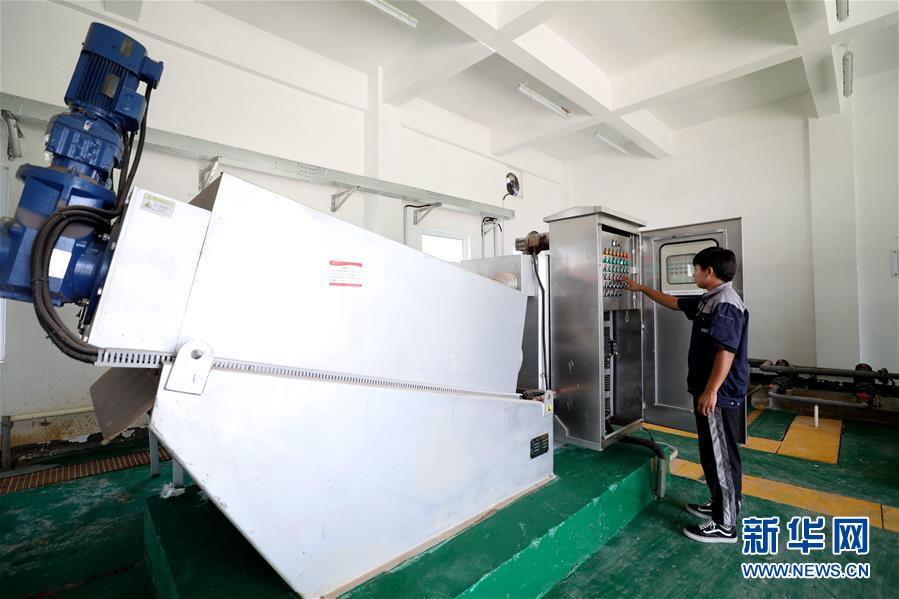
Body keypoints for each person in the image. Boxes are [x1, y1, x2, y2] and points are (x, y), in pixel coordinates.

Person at [624, 247, 748, 544]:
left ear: (709, 271)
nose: (694, 274)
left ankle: (725, 525)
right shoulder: (710, 298)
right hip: (711, 391)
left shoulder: (726, 303)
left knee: (721, 457)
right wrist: (641, 289)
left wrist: (711, 390)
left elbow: (726, 351)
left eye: (696, 269)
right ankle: (721, 504)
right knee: (712, 451)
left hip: (719, 394)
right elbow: (676, 302)